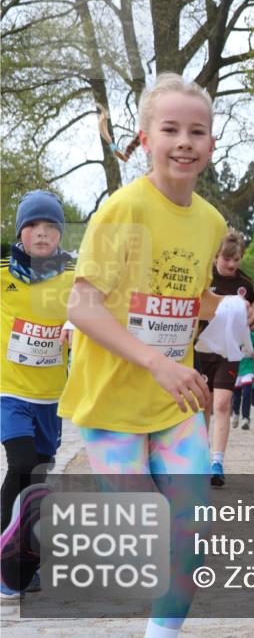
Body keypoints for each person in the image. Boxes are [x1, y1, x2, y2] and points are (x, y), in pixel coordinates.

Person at [57, 73, 241, 638]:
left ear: (211, 145)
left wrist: (225, 310)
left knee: (193, 537)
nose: (184, 141)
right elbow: (83, 306)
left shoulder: (211, 223)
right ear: (144, 137)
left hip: (172, 405)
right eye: (170, 129)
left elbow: (180, 297)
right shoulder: (121, 211)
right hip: (111, 402)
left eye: (197, 131)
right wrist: (156, 361)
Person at [0, 190, 74, 598]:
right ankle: (5, 555)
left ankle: (25, 561)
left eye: (50, 227)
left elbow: (93, 312)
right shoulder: (2, 274)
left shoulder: (72, 278)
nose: (42, 234)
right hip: (9, 392)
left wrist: (75, 326)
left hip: (51, 397)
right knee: (23, 463)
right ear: (20, 233)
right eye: (33, 226)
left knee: (39, 475)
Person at [196, 231, 254, 486]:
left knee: (222, 403)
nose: (231, 265)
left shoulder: (245, 283)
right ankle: (200, 456)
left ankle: (217, 461)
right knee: (204, 403)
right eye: (226, 259)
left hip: (228, 351)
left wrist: (253, 317)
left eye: (237, 259)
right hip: (201, 348)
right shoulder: (204, 276)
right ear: (216, 256)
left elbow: (253, 307)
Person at [232, 330, 254, 427]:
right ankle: (235, 414)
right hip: (236, 369)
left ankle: (246, 418)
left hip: (249, 368)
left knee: (247, 393)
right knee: (236, 395)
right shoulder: (234, 334)